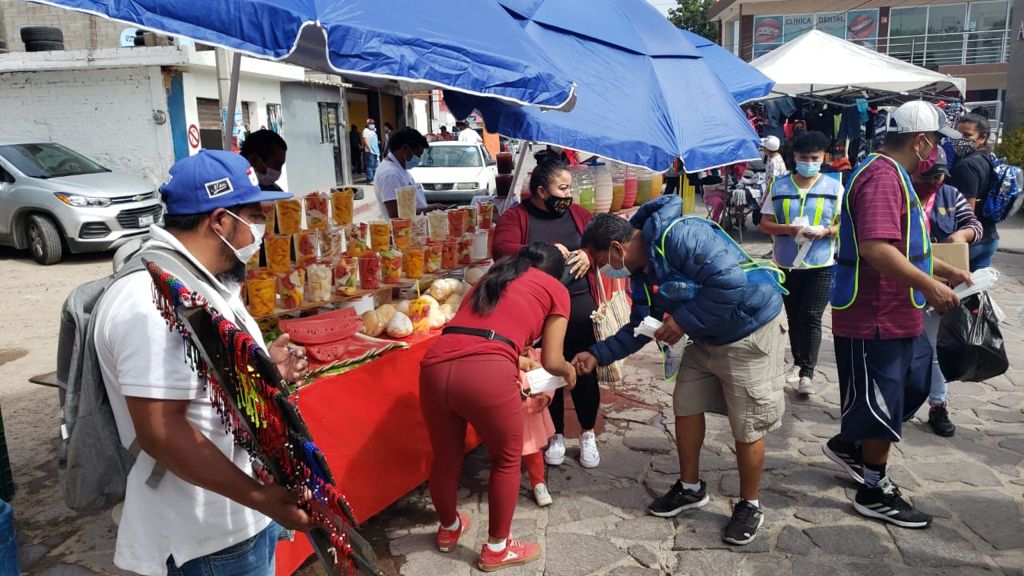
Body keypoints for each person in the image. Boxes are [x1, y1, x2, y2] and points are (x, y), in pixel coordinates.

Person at [93, 150, 312, 575]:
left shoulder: (204, 283)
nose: (260, 229)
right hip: (207, 536)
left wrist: (265, 373)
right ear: (220, 221)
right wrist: (256, 496)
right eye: (254, 214)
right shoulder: (150, 301)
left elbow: (201, 380)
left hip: (235, 520)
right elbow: (161, 430)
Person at [573, 196, 787, 546]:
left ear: (616, 247)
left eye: (601, 263)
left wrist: (683, 320)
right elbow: (640, 327)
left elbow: (730, 283)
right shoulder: (640, 275)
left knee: (747, 423)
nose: (604, 271)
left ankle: (750, 504)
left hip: (751, 329)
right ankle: (690, 488)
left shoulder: (682, 236)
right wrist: (596, 355)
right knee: (685, 405)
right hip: (706, 337)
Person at [823, 100, 969, 530]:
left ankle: (856, 442)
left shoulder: (897, 177)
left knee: (913, 382)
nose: (940, 151)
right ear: (921, 141)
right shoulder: (882, 178)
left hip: (899, 314)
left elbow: (907, 247)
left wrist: (948, 271)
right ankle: (873, 487)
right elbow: (876, 248)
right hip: (874, 316)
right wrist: (929, 286)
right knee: (883, 400)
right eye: (939, 141)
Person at [419, 243, 577, 572]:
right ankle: (497, 549)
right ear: (554, 271)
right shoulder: (556, 289)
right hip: (486, 374)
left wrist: (514, 357)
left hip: (435, 365)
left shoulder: (492, 276)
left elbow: (475, 333)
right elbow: (551, 359)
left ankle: (448, 529)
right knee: (506, 459)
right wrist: (567, 371)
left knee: (446, 457)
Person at [493, 159, 602, 469]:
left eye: (571, 188)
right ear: (541, 191)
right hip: (536, 310)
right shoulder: (517, 216)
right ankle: (554, 434)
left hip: (579, 306)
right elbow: (501, 248)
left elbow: (601, 242)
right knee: (546, 373)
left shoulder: (579, 215)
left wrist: (588, 254)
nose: (568, 195)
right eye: (562, 188)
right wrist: (541, 249)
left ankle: (587, 432)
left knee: (582, 368)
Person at [759, 131, 842, 396]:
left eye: (814, 158)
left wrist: (826, 232)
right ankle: (797, 363)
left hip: (820, 264)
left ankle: (807, 372)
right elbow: (764, 224)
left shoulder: (834, 187)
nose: (809, 162)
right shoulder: (780, 187)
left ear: (823, 158)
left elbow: (845, 224)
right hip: (786, 264)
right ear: (794, 157)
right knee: (794, 317)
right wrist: (786, 229)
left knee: (811, 315)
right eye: (804, 157)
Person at [911, 147, 982, 438]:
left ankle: (938, 405)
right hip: (901, 282)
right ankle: (898, 401)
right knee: (901, 347)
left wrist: (961, 235)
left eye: (941, 174)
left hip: (940, 285)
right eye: (930, 175)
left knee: (935, 347)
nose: (937, 181)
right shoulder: (901, 194)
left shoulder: (951, 196)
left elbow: (974, 226)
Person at [949, 113, 996, 271]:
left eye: (967, 135)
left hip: (970, 241)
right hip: (990, 237)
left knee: (954, 293)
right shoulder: (988, 160)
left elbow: (968, 212)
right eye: (958, 134)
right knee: (975, 291)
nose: (960, 140)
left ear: (982, 138)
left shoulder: (966, 165)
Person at [373, 127, 444, 218]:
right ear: (406, 149)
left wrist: (432, 207)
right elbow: (395, 214)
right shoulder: (389, 174)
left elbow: (412, 205)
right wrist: (427, 210)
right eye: (418, 154)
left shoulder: (400, 168)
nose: (418, 159)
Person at [517, 347, 555, 507]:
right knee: (506, 456)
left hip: (532, 414)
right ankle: (507, 483)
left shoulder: (538, 355)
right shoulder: (504, 360)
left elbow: (549, 380)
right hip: (512, 415)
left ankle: (538, 483)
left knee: (533, 453)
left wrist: (546, 396)